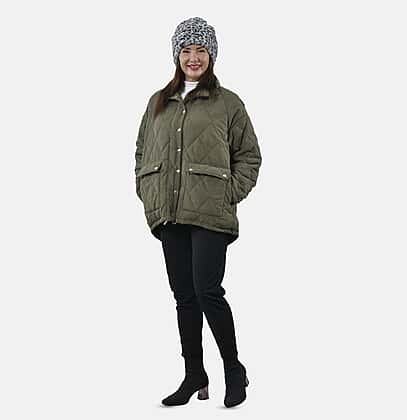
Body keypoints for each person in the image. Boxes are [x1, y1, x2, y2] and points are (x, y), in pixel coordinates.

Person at [134, 16, 262, 408]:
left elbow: (249, 157)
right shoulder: (158, 102)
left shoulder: (229, 103)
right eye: (186, 50)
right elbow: (141, 152)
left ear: (212, 55)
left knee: (208, 291)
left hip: (210, 213)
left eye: (201, 50)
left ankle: (233, 370)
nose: (193, 57)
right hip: (169, 214)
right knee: (184, 297)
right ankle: (194, 375)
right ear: (176, 55)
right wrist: (147, 191)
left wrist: (228, 194)